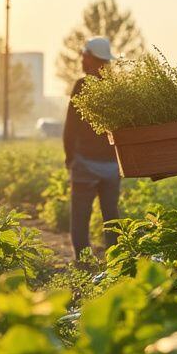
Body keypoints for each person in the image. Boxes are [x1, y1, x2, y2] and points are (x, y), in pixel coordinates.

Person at [63, 37, 122, 260]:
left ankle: (85, 262)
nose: (81, 59)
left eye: (83, 55)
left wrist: (69, 158)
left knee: (80, 217)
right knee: (111, 217)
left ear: (90, 57)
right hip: (111, 165)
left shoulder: (82, 86)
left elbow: (71, 127)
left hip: (85, 163)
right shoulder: (116, 87)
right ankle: (116, 261)